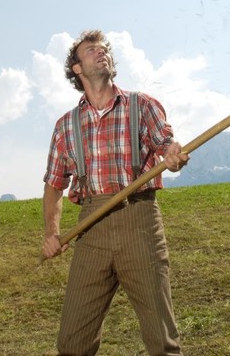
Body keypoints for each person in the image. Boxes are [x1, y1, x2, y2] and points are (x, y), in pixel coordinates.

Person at [42, 29, 190, 356]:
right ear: (77, 69)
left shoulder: (142, 105)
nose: (101, 52)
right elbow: (54, 186)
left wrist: (174, 157)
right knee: (72, 342)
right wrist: (52, 233)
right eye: (92, 50)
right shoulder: (65, 126)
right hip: (91, 226)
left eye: (104, 49)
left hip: (139, 220)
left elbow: (167, 147)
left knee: (161, 340)